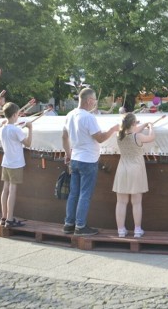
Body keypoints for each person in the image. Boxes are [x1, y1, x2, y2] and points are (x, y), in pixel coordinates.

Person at [62, 88, 119, 236]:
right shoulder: (88, 117)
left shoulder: (70, 115)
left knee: (74, 193)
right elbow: (100, 138)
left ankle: (69, 224)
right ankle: (80, 226)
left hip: (75, 158)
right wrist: (113, 129)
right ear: (89, 101)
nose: (95, 102)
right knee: (85, 194)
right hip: (88, 160)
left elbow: (64, 136)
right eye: (94, 99)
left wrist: (68, 154)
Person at [113, 113, 155, 238]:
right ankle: (137, 230)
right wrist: (151, 126)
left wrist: (141, 125)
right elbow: (151, 137)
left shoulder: (119, 136)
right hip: (136, 170)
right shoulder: (138, 136)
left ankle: (121, 230)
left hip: (122, 169)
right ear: (133, 124)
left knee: (120, 202)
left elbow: (133, 130)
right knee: (136, 203)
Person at [0, 102, 33, 228]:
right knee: (12, 190)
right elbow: (28, 143)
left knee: (5, 189)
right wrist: (30, 128)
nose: (18, 116)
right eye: (18, 114)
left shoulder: (2, 129)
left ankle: (3, 217)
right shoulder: (16, 130)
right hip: (15, 163)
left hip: (6, 162)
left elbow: (11, 135)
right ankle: (9, 219)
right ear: (14, 115)